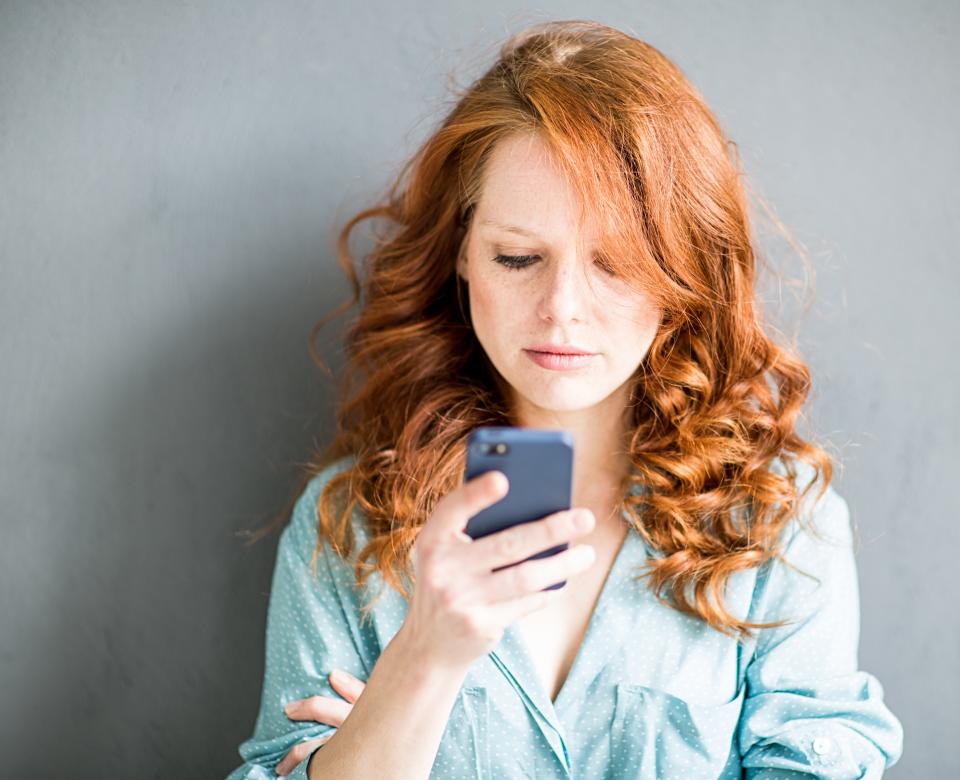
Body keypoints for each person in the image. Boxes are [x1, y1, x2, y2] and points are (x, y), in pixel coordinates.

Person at [228, 19, 904, 780]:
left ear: (681, 275)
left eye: (615, 264)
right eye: (518, 257)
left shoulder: (778, 521)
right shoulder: (346, 530)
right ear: (460, 256)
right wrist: (423, 656)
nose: (562, 309)